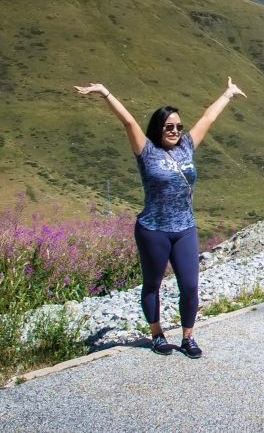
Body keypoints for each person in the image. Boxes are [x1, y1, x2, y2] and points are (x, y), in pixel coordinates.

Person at [73, 78, 246, 357]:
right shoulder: (146, 151)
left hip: (185, 228)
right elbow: (129, 122)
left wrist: (228, 94)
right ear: (158, 128)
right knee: (152, 284)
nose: (175, 131)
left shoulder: (187, 145)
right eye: (169, 127)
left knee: (189, 286)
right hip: (153, 229)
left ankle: (188, 337)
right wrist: (105, 92)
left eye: (178, 126)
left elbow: (208, 118)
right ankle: (157, 335)